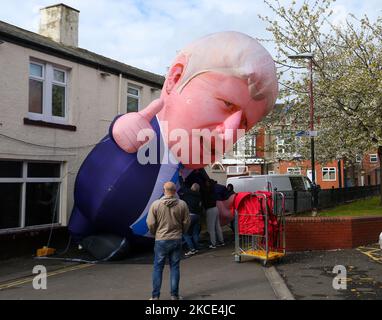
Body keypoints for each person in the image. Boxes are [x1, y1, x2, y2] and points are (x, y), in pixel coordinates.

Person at [68, 31, 278, 258]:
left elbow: (197, 185)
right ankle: (82, 236)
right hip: (94, 210)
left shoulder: (190, 167)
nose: (229, 133)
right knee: (83, 223)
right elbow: (118, 140)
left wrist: (219, 203)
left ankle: (124, 243)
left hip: (154, 238)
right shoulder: (148, 135)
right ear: (175, 78)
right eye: (226, 104)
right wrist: (122, 128)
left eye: (244, 124)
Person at [146, 181, 191, 300]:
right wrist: (182, 232)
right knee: (175, 267)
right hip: (176, 239)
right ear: (175, 191)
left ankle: (155, 297)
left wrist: (155, 232)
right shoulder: (182, 204)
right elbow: (187, 222)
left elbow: (150, 222)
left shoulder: (155, 204)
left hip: (161, 239)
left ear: (163, 190)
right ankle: (174, 295)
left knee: (158, 268)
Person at [178, 178, 203, 256]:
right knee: (195, 233)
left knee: (185, 233)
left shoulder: (188, 193)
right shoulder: (199, 195)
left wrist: (180, 177)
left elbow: (183, 187)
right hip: (197, 216)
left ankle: (192, 249)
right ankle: (196, 248)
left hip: (190, 215)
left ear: (192, 187)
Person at [203, 179, 224, 249]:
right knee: (217, 226)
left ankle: (213, 243)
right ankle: (221, 241)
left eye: (206, 182)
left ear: (208, 183)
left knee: (211, 228)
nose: (205, 183)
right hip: (215, 208)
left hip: (210, 210)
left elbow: (205, 202)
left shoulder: (207, 191)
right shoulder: (214, 190)